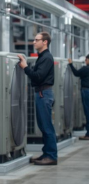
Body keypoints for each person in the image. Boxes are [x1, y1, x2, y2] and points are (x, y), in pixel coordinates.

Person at [18, 32, 57, 165]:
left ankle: (51, 156)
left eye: (36, 40)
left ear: (45, 42)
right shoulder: (42, 57)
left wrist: (25, 68)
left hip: (43, 94)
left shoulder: (46, 57)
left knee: (47, 127)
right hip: (41, 93)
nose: (34, 42)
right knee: (43, 125)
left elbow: (38, 76)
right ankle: (46, 153)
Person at [68, 55, 89, 140]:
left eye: (86, 59)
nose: (85, 61)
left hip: (86, 91)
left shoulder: (85, 69)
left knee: (87, 112)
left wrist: (70, 64)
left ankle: (88, 134)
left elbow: (76, 73)